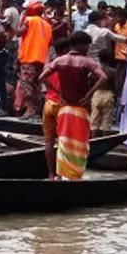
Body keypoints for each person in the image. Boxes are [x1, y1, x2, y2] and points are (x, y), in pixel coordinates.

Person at [40, 31, 107, 180]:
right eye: (87, 45)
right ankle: (74, 175)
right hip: (78, 108)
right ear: (81, 45)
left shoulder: (59, 61)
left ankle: (55, 175)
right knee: (78, 143)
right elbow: (103, 77)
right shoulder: (87, 61)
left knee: (58, 142)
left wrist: (57, 92)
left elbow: (41, 77)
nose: (88, 48)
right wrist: (89, 94)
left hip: (59, 106)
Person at [39, 38, 70, 179]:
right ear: (65, 50)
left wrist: (52, 89)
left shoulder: (50, 65)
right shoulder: (66, 65)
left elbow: (42, 77)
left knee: (49, 143)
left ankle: (51, 175)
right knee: (63, 142)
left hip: (49, 104)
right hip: (62, 106)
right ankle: (60, 175)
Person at [16, 0, 52, 119]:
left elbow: (18, 33)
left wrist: (21, 19)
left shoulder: (29, 20)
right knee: (36, 86)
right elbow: (50, 42)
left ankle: (30, 110)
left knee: (27, 85)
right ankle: (36, 111)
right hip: (41, 59)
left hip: (29, 58)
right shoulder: (47, 24)